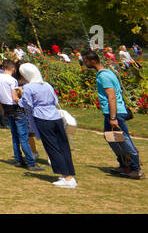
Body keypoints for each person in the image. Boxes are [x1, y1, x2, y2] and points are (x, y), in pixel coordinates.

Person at [83, 49, 141, 178]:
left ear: (92, 61)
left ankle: (135, 169)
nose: (84, 62)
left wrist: (113, 117)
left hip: (114, 113)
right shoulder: (107, 72)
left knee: (123, 140)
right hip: (112, 112)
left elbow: (112, 97)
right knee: (112, 138)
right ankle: (124, 166)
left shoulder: (103, 76)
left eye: (85, 60)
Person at [17, 63, 75, 188]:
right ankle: (69, 174)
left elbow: (26, 104)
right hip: (55, 116)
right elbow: (55, 100)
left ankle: (67, 178)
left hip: (42, 118)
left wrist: (19, 96)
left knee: (52, 147)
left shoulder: (28, 87)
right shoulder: (47, 85)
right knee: (63, 145)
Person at [0, 60, 37, 169]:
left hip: (6, 108)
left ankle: (18, 160)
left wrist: (2, 109)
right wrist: (23, 98)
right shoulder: (12, 80)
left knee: (14, 136)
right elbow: (15, 98)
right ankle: (31, 163)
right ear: (13, 68)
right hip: (16, 109)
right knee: (23, 137)